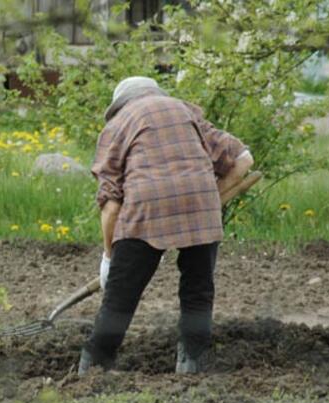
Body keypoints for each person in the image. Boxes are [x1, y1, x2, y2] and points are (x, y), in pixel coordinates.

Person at [78, 76, 254, 375]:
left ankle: (95, 364)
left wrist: (109, 259)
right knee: (198, 287)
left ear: (120, 105)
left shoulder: (118, 125)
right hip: (199, 201)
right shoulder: (185, 111)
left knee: (122, 293)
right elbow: (243, 160)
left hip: (147, 205)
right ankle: (192, 362)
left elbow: (111, 207)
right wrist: (211, 197)